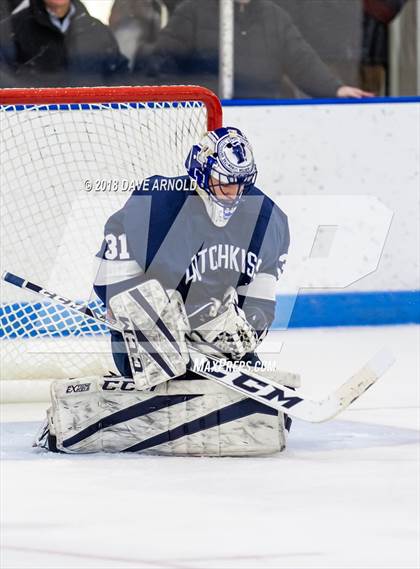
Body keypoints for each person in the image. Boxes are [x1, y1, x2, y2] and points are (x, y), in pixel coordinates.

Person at [35, 127, 296, 456]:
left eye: (242, 183)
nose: (234, 193)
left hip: (212, 347)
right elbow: (107, 280)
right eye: (225, 181)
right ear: (201, 173)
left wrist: (243, 332)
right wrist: (143, 310)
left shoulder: (267, 219)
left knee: (272, 414)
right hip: (149, 343)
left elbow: (260, 304)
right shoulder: (156, 204)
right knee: (164, 347)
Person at [134, 0, 372, 99]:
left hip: (264, 117)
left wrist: (336, 89)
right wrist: (181, 106)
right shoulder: (193, 11)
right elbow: (163, 64)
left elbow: (301, 60)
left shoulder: (273, 16)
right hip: (207, 122)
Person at [0, 0, 128, 87]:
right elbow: (4, 79)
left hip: (92, 122)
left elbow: (120, 78)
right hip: (33, 122)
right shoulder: (12, 29)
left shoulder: (98, 31)